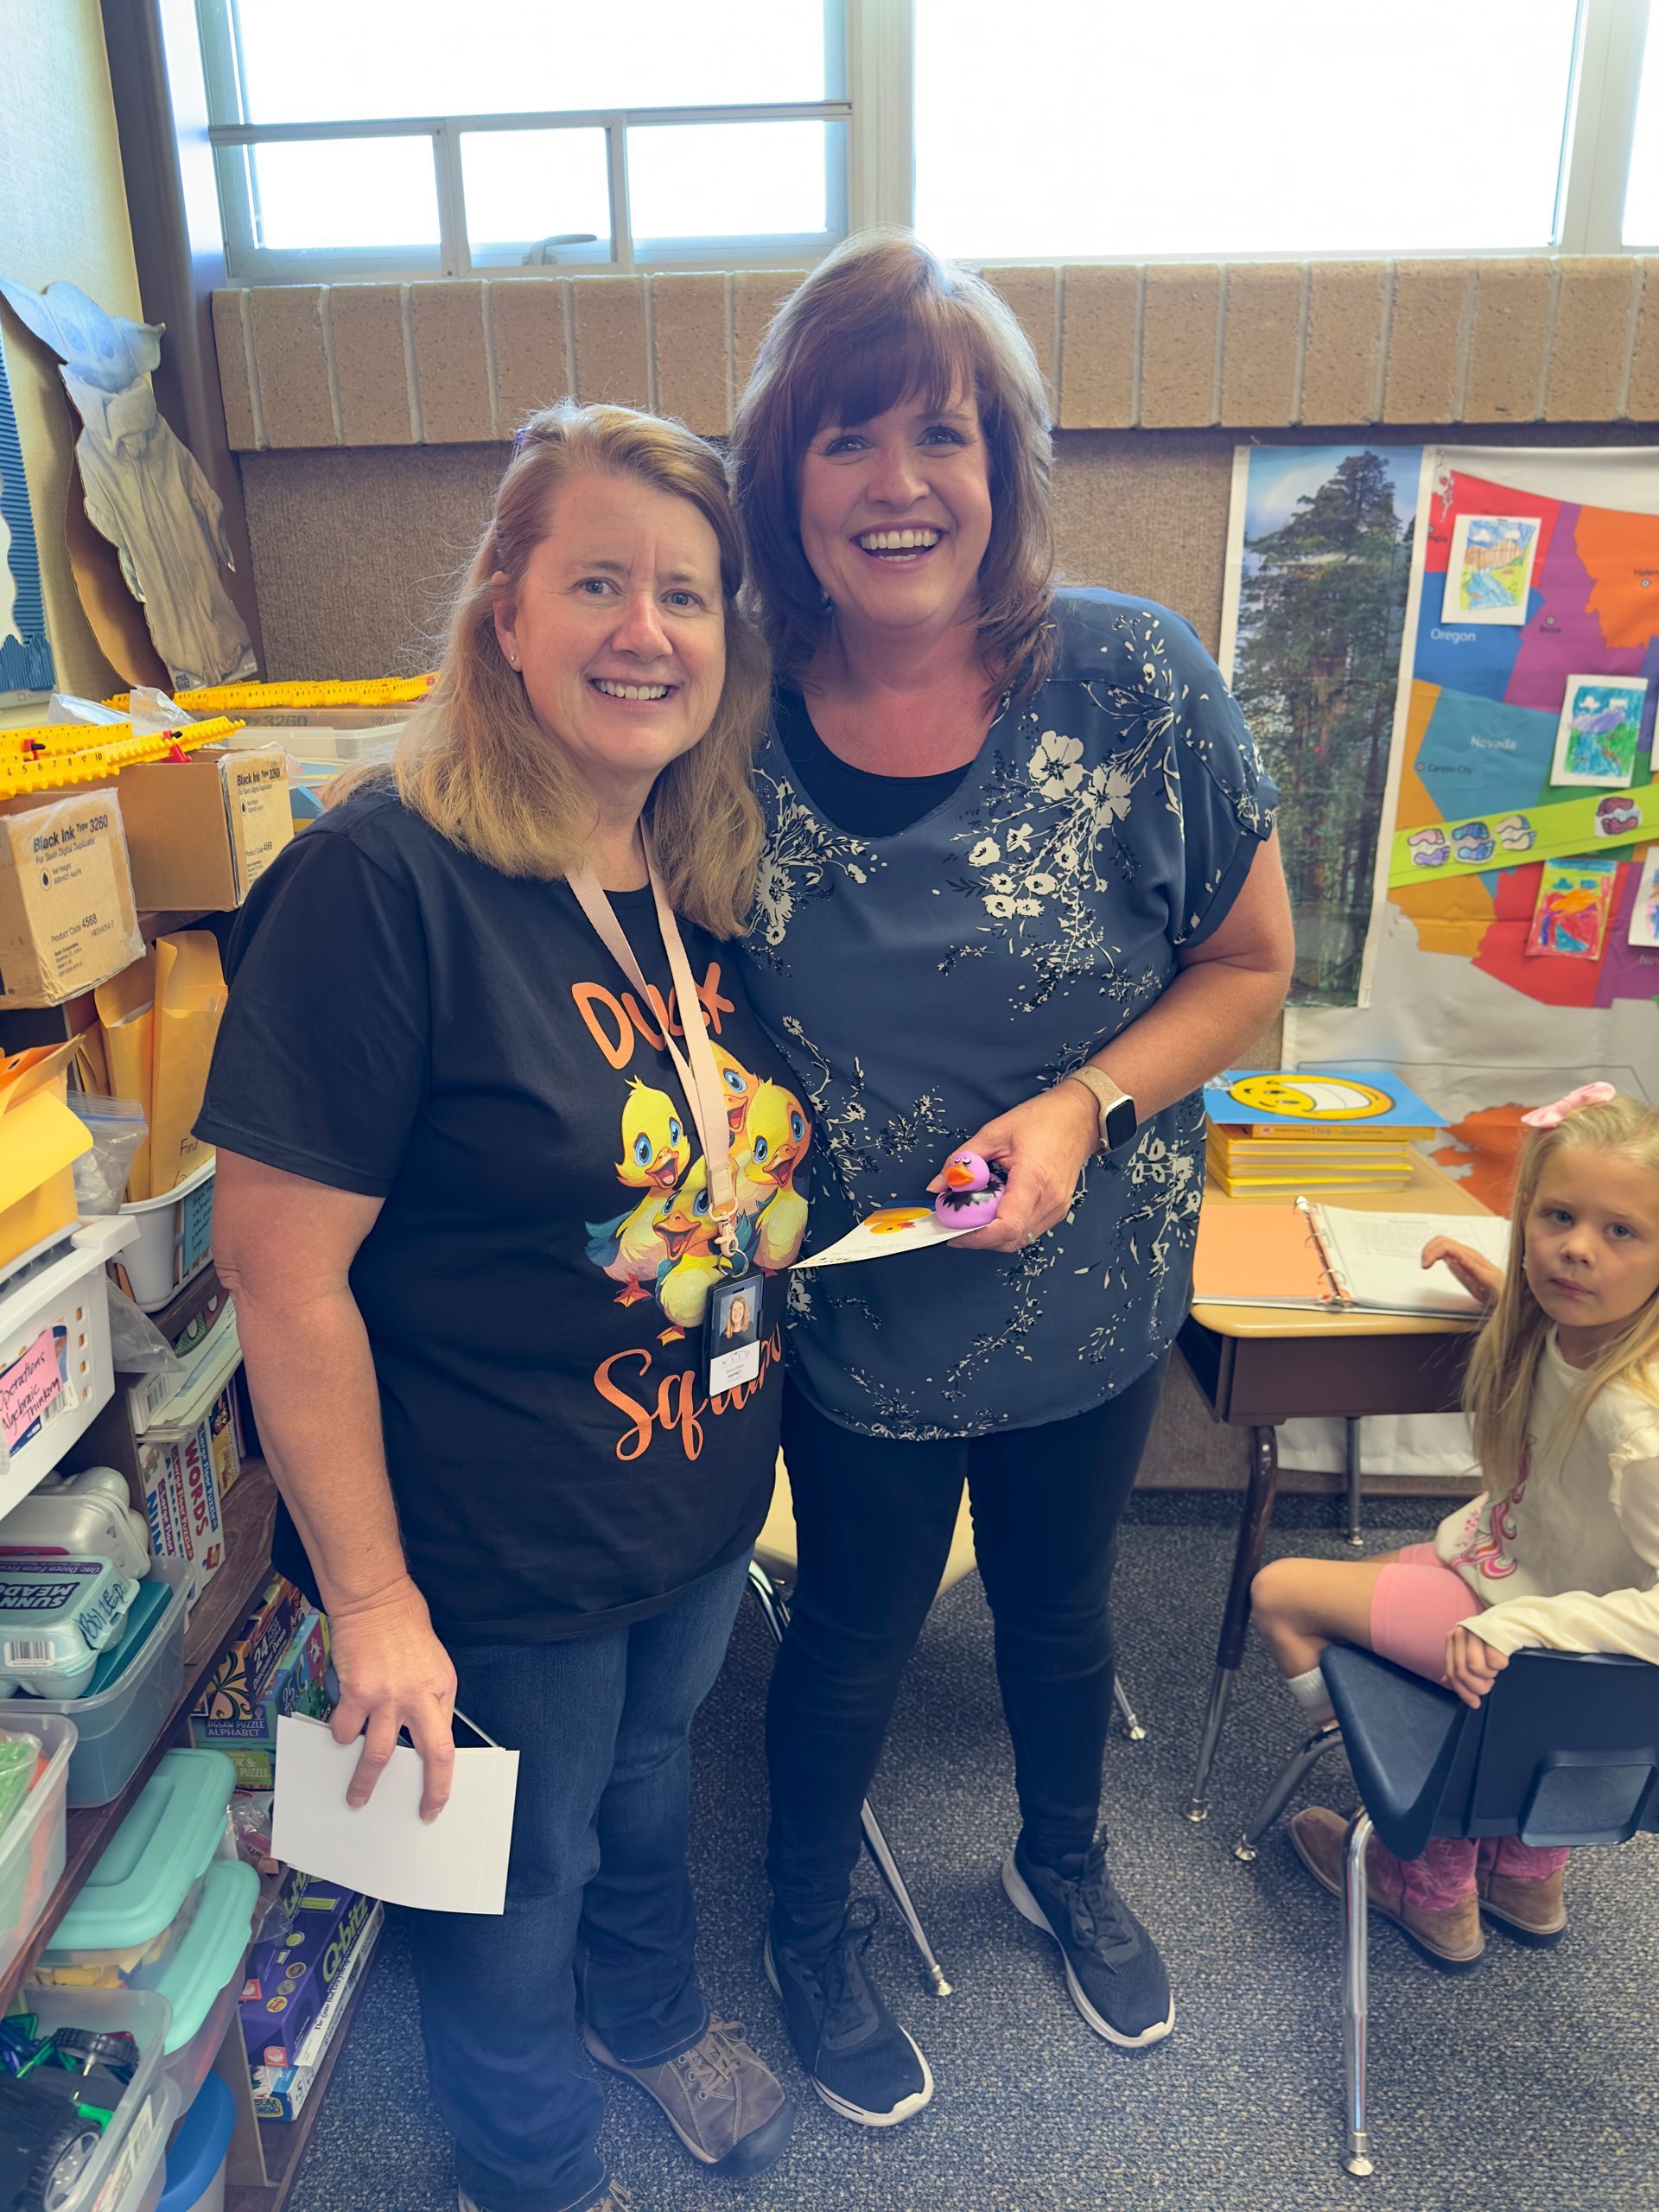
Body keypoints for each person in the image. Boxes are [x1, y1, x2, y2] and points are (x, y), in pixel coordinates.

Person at [199, 402, 811, 2212]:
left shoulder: (693, 877)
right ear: (505, 609)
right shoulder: (377, 885)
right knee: (506, 1874)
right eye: (599, 581)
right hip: (491, 1536)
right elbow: (278, 1271)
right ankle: (528, 2171)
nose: (647, 630)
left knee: (640, 1791)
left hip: (686, 1495)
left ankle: (646, 2011)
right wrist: (375, 1597)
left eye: (686, 594)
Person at [728, 232, 1295, 2124]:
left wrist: (1082, 1109)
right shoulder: (723, 716)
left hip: (1096, 1287)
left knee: (1064, 1612)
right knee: (857, 1633)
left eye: (943, 434)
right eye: (846, 439)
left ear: (1008, 467)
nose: (899, 483)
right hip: (858, 1312)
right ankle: (811, 1921)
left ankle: (1067, 1860)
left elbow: (1247, 964)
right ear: (783, 479)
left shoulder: (1135, 680)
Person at [1252, 1084, 1659, 1969]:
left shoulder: (1639, 1431)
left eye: (1620, 1232)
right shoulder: (1588, 1337)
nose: (1576, 1250)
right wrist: (1506, 1294)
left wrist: (1516, 1625)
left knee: (1279, 1593)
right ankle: (1525, 1870)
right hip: (1536, 1620)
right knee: (1507, 1689)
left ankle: (1425, 1867)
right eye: (1557, 1218)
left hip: (1529, 1631)